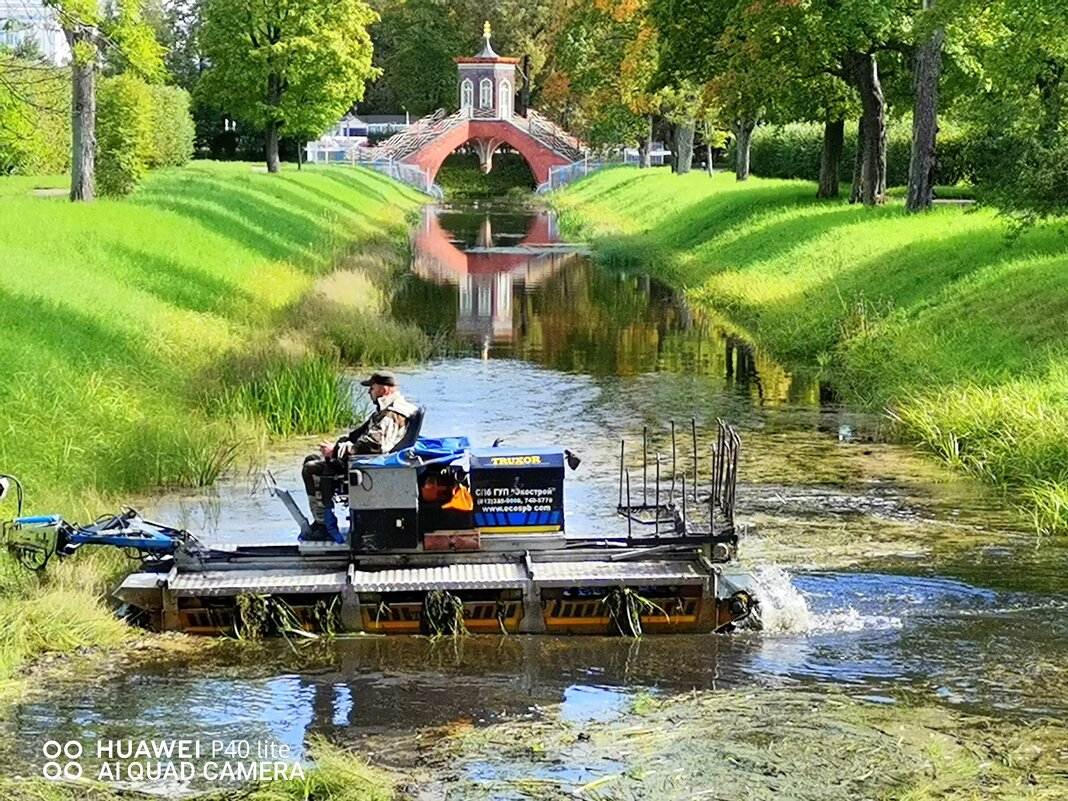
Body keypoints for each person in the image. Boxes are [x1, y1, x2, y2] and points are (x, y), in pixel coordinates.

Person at [301, 370, 417, 540]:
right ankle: (322, 521)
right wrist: (341, 443)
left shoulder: (391, 415)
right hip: (370, 461)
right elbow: (359, 435)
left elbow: (374, 446)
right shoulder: (389, 409)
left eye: (372, 387)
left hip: (371, 467)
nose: (369, 391)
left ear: (384, 390)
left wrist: (337, 450)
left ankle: (323, 525)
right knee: (311, 459)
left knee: (310, 469)